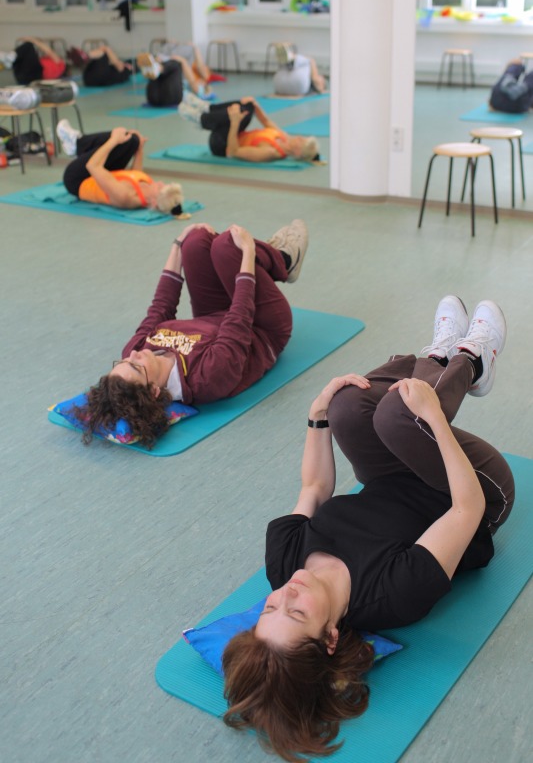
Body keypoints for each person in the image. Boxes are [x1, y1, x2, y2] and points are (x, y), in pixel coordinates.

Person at [222, 295, 515, 762]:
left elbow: (316, 485)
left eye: (270, 609)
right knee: (400, 418)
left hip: (391, 474)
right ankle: (473, 358)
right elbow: (466, 509)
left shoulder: (282, 565)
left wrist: (317, 412)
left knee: (344, 407)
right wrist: (436, 419)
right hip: (472, 491)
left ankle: (435, 357)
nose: (286, 592)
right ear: (331, 636)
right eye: (296, 614)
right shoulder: (393, 596)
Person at [79, 219, 309, 448]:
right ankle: (283, 259)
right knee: (227, 246)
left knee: (195, 240)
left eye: (123, 361)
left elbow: (161, 306)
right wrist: (248, 252)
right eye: (135, 366)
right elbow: (241, 315)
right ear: (154, 391)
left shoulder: (135, 351)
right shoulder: (206, 378)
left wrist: (177, 244)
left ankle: (263, 256)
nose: (134, 354)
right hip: (261, 327)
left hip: (211, 314)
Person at [57, 120, 184, 215]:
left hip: (77, 179)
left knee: (120, 138)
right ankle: (78, 145)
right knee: (132, 140)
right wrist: (139, 148)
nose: (160, 182)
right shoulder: (148, 192)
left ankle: (77, 143)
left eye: (160, 187)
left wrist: (113, 140)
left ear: (154, 202)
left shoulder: (124, 196)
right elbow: (135, 175)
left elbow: (92, 166)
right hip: (103, 173)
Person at [178, 93, 320, 163]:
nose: (300, 137)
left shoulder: (270, 152)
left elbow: (234, 151)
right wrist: (255, 104)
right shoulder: (283, 137)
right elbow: (266, 120)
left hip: (221, 145)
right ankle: (207, 108)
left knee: (241, 114)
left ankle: (201, 118)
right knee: (247, 107)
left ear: (297, 152)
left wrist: (234, 123)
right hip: (234, 133)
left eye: (302, 141)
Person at [136, 48, 212, 107]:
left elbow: (194, 81)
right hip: (154, 97)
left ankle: (157, 67)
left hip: (171, 98)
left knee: (177, 65)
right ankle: (154, 66)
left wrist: (183, 61)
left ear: (204, 82)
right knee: (166, 68)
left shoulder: (201, 90)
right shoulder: (185, 82)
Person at [67, 44, 132, 88]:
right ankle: (86, 55)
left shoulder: (106, 67)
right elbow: (120, 67)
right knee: (105, 51)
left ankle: (86, 55)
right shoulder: (122, 70)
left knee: (104, 52)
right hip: (99, 78)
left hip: (89, 80)